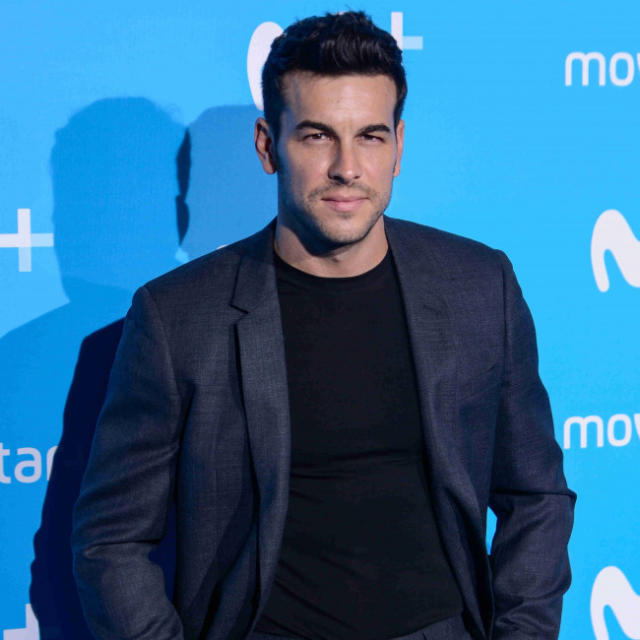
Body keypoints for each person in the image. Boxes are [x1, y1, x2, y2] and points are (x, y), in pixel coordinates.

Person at [72, 11, 575, 640]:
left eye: (370, 137)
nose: (347, 167)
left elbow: (536, 496)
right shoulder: (178, 319)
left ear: (398, 147)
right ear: (267, 146)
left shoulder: (479, 286)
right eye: (317, 136)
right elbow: (111, 539)